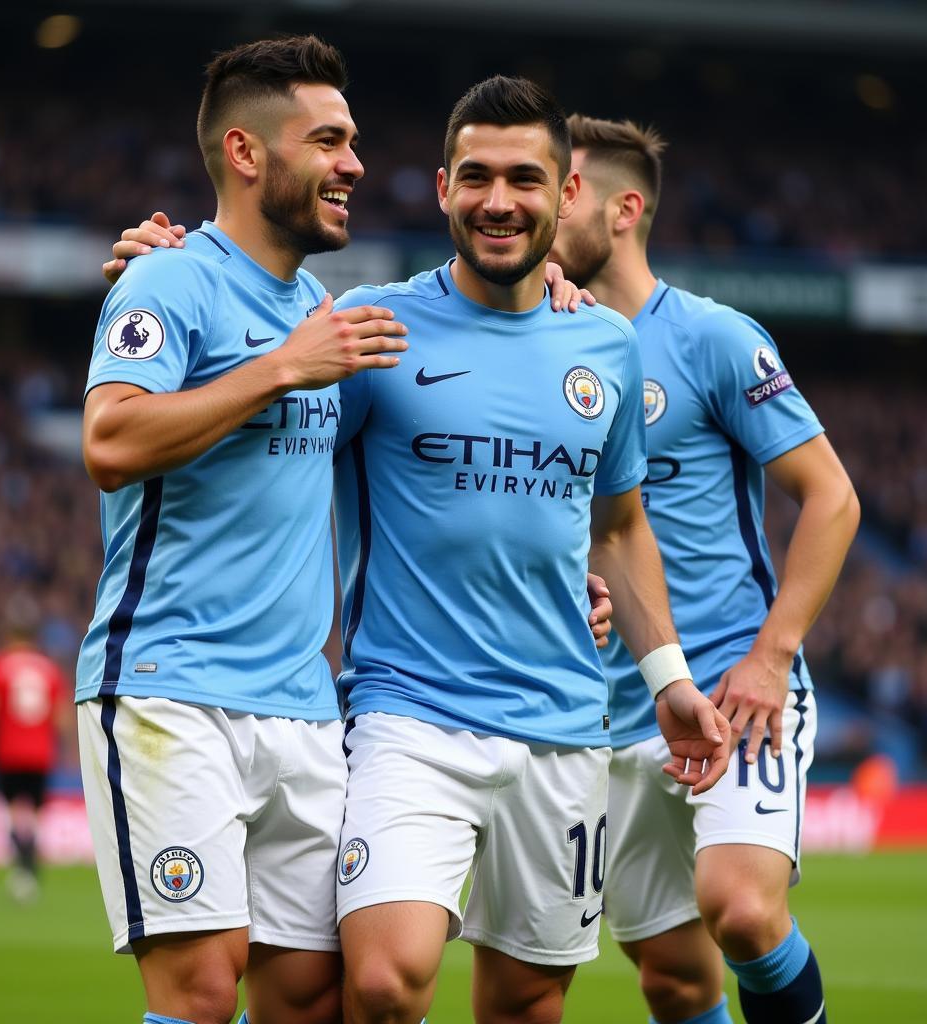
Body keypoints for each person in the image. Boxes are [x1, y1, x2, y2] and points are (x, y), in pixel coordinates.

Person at [103, 76, 731, 1024]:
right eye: (475, 177)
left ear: (567, 197)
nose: (498, 201)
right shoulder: (372, 331)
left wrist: (669, 677)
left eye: (526, 179)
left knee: (523, 1002)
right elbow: (260, 394)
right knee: (385, 983)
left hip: (564, 723)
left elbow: (618, 527)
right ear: (442, 188)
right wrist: (170, 271)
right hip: (405, 714)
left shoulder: (605, 346)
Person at [76, 35, 411, 1024]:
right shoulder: (168, 284)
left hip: (302, 707)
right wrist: (277, 369)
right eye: (328, 140)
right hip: (171, 690)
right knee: (202, 986)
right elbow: (109, 438)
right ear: (246, 152)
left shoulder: (319, 310)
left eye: (352, 141)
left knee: (308, 996)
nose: (353, 162)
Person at [550, 116, 860, 1024]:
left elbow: (832, 497)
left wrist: (772, 656)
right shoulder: (537, 340)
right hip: (601, 708)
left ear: (622, 209)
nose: (534, 198)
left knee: (744, 909)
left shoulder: (714, 338)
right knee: (674, 982)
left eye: (561, 185)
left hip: (730, 681)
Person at [0, 623, 71, 900]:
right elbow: (62, 713)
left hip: (8, 751)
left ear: (10, 636)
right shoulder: (49, 669)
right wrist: (69, 747)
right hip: (41, 752)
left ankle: (24, 868)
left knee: (10, 811)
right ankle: (29, 868)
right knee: (34, 813)